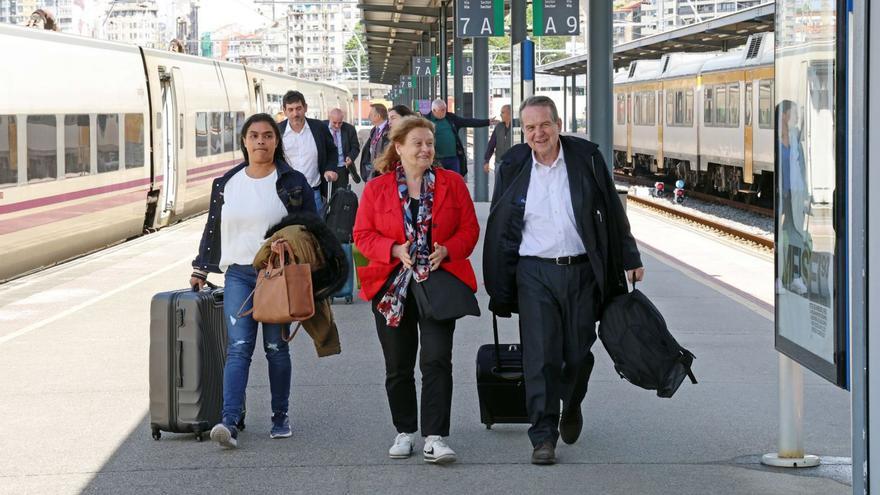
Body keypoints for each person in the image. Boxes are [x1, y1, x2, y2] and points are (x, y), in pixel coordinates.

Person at [483, 96, 644, 465]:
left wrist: (630, 257)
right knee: (539, 356)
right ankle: (542, 435)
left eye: (544, 125)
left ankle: (571, 402)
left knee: (576, 354)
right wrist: (500, 279)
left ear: (558, 124)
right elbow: (500, 221)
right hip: (533, 272)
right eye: (530, 127)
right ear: (522, 132)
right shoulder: (513, 165)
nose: (538, 133)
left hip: (582, 271)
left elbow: (613, 209)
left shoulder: (586, 158)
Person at [353, 116, 480, 465]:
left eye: (429, 143)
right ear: (399, 148)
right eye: (418, 144)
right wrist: (394, 249)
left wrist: (448, 249)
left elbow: (469, 229)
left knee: (437, 359)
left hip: (438, 283)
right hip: (391, 285)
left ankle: (436, 437)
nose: (426, 149)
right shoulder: (377, 188)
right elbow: (362, 235)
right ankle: (405, 431)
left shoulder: (452, 183)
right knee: (398, 364)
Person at [190, 113, 318, 449]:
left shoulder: (293, 182)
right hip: (238, 274)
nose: (261, 141)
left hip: (275, 274)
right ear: (244, 141)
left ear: (277, 141)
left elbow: (311, 227)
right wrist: (200, 269)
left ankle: (280, 416)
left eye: (267, 136)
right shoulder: (226, 182)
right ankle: (229, 421)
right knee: (239, 348)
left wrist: (288, 241)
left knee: (275, 349)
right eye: (254, 135)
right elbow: (213, 227)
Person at [278, 90, 339, 210]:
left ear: (305, 108)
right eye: (290, 109)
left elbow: (332, 151)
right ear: (284, 111)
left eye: (298, 108)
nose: (295, 113)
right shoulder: (278, 131)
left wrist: (329, 169)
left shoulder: (319, 128)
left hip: (314, 193)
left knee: (316, 228)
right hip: (286, 195)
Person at [777, 100, 810, 295]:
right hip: (781, 193)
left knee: (796, 234)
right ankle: (778, 278)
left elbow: (802, 166)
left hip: (795, 193)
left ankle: (796, 277)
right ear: (784, 115)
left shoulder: (795, 136)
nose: (796, 117)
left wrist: (805, 194)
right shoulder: (774, 138)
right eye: (793, 113)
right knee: (779, 237)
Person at [423, 98, 496, 177]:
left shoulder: (450, 118)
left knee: (456, 181)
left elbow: (467, 121)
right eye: (442, 110)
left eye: (445, 109)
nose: (445, 112)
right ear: (434, 110)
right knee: (440, 183)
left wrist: (487, 122)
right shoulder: (426, 121)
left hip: (453, 158)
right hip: (436, 160)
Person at [325, 108, 361, 189]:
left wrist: (351, 157)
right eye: (334, 123)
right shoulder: (321, 126)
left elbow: (355, 147)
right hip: (326, 169)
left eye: (340, 123)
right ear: (329, 118)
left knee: (341, 196)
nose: (337, 126)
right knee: (327, 196)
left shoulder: (350, 129)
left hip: (342, 168)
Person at [360, 103, 390, 181]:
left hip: (383, 173)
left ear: (378, 116)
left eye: (371, 114)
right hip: (373, 173)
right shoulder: (374, 130)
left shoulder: (389, 130)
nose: (368, 117)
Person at [483, 104, 512, 174]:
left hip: (513, 164)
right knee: (498, 184)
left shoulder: (517, 126)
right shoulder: (499, 126)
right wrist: (487, 161)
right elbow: (491, 144)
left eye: (502, 112)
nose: (500, 115)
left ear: (509, 113)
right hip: (499, 163)